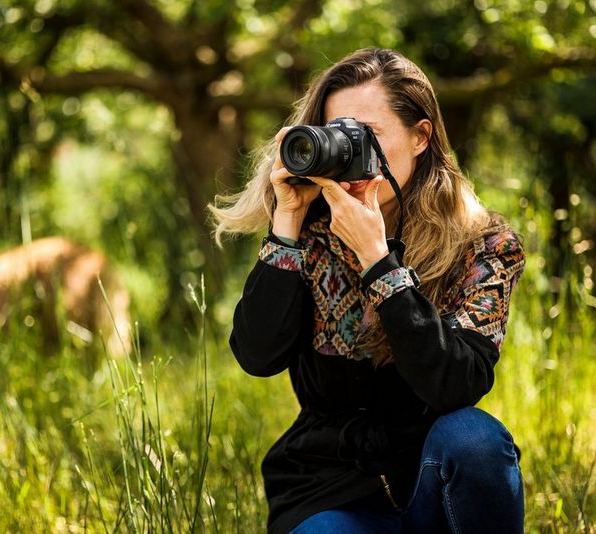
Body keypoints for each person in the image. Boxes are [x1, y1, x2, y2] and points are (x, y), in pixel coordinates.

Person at [210, 48, 526, 534]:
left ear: (421, 136)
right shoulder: (312, 236)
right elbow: (257, 356)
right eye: (339, 134)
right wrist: (287, 222)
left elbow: (457, 385)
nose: (350, 151)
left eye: (368, 136)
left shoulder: (483, 246)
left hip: (432, 484)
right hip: (329, 491)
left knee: (475, 439)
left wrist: (380, 263)